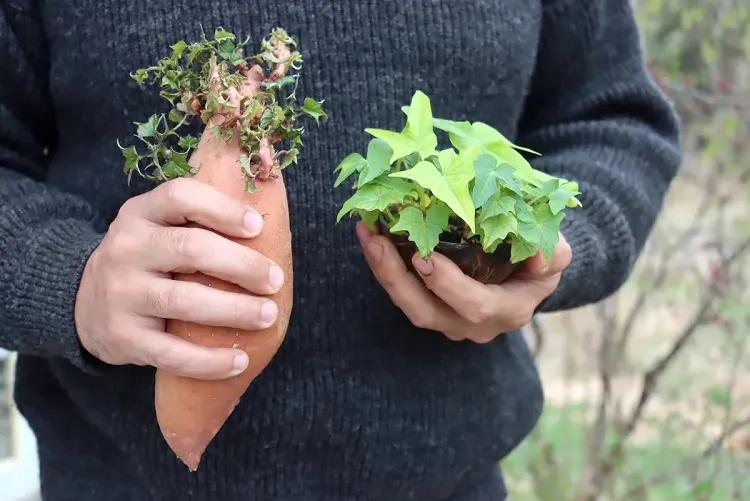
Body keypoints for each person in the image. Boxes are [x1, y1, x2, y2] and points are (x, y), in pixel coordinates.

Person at [0, 0, 681, 499]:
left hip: (447, 479)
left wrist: (541, 245)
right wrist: (72, 282)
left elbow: (611, 118)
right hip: (118, 480)